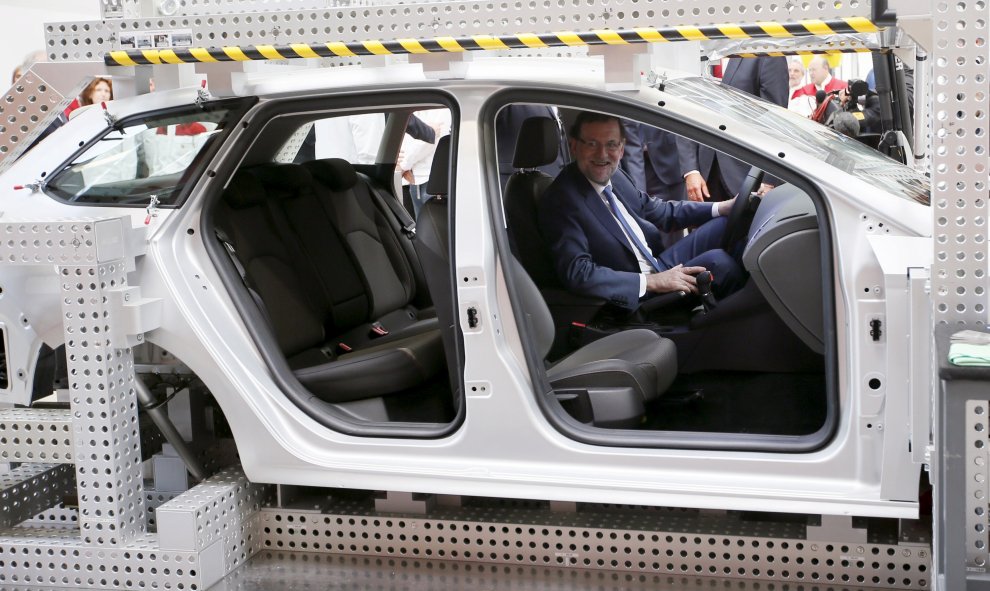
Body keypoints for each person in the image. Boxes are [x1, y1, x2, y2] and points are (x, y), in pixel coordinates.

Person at [538, 112, 746, 312]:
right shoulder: (562, 199)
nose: (602, 154)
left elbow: (662, 212)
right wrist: (652, 282)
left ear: (621, 149)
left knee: (726, 222)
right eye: (592, 144)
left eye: (611, 144)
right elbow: (578, 273)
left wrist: (723, 206)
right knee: (719, 263)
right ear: (574, 147)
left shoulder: (616, 176)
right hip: (637, 295)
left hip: (656, 264)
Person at [677, 56, 787, 202]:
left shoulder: (764, 52)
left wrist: (769, 180)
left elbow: (775, 119)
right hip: (703, 177)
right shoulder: (697, 48)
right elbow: (684, 107)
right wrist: (690, 170)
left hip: (747, 177)